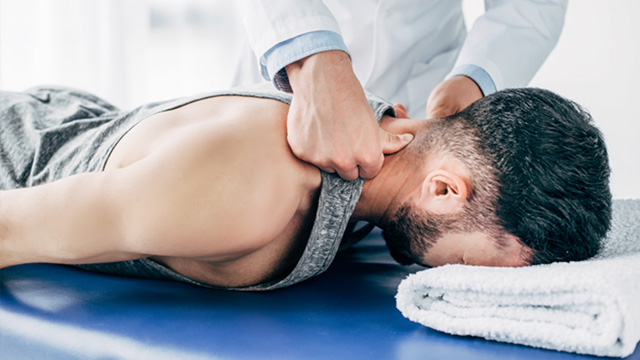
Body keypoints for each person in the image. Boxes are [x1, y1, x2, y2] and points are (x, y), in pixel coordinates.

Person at [0, 84, 611, 290]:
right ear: (446, 191)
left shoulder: (384, 148)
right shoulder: (248, 192)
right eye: (487, 267)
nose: (468, 279)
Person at [234, 0, 568, 181]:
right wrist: (310, 57)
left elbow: (532, 9)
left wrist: (475, 79)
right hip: (285, 66)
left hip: (425, 74)